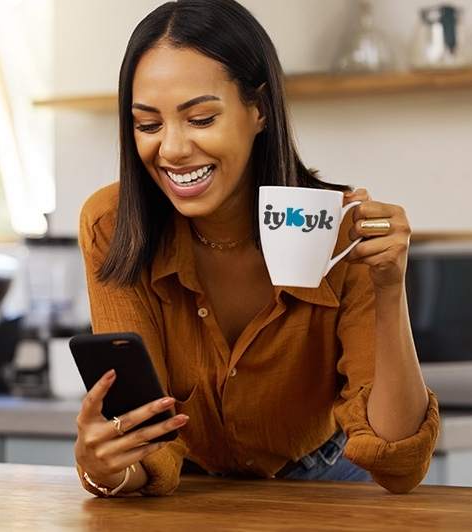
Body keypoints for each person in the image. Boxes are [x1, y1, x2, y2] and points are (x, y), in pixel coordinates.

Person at [73, 0, 439, 497]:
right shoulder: (114, 225)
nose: (173, 149)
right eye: (148, 125)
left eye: (200, 118)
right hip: (187, 493)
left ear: (259, 110)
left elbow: (400, 462)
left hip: (322, 484)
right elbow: (145, 444)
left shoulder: (339, 229)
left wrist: (390, 288)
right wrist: (106, 466)